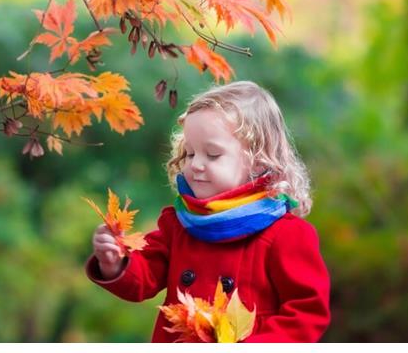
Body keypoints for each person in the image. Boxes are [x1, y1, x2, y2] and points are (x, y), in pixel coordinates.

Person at [86, 80, 331, 342]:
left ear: (258, 160)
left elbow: (307, 312)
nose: (196, 165)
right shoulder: (179, 224)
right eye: (190, 154)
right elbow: (143, 278)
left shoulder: (287, 235)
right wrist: (114, 263)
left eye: (212, 155)